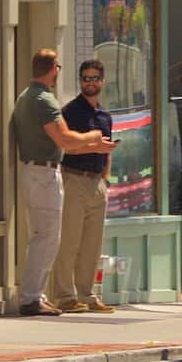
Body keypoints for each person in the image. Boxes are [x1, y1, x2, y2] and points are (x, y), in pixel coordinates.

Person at [12, 49, 115, 317]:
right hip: (44, 174)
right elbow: (66, 141)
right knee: (49, 238)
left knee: (43, 237)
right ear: (54, 69)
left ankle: (36, 295)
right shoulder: (45, 100)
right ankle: (33, 298)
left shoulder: (27, 97)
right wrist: (93, 137)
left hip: (38, 172)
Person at [53, 60, 119, 314]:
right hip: (74, 179)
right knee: (69, 241)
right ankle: (64, 296)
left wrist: (106, 179)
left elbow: (108, 149)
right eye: (85, 78)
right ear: (80, 81)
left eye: (94, 78)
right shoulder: (70, 112)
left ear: (102, 82)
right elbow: (68, 146)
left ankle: (86, 294)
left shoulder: (105, 116)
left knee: (92, 244)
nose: (90, 83)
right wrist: (95, 146)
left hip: (97, 182)